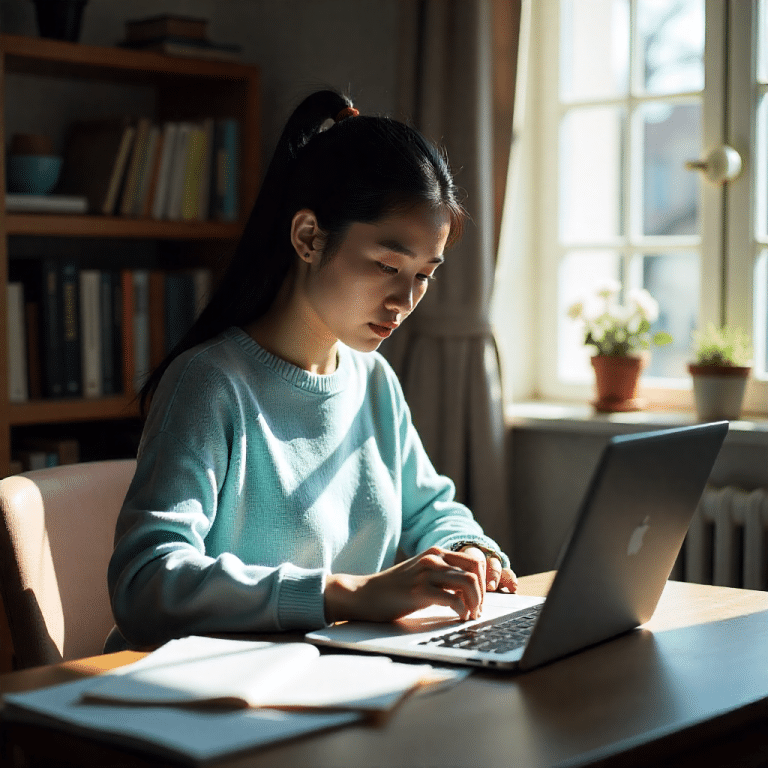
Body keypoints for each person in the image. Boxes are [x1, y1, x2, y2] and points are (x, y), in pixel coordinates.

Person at [106, 89, 516, 652]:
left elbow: (431, 510)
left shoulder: (373, 380)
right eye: (387, 265)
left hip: (333, 677)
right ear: (308, 238)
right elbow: (146, 583)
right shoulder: (209, 384)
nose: (405, 301)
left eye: (424, 275)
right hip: (208, 687)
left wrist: (469, 550)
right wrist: (343, 594)